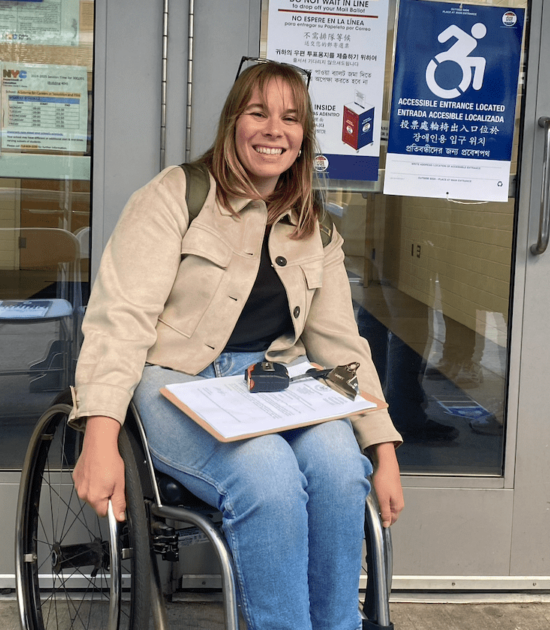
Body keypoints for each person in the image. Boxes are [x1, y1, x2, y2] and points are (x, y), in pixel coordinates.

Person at [70, 59, 404, 630]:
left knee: (339, 468)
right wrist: (98, 434)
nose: (275, 129)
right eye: (259, 112)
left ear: (303, 140)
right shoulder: (176, 195)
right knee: (267, 474)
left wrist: (383, 449)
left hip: (272, 380)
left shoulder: (315, 227)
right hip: (175, 377)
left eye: (290, 118)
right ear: (233, 123)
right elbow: (120, 317)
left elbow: (342, 346)